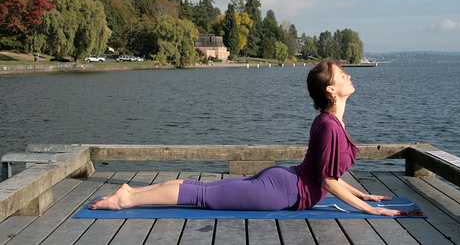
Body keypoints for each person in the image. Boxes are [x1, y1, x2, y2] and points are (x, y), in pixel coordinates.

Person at [90, 60, 400, 216]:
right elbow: (328, 181)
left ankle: (131, 192)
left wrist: (362, 195)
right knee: (202, 195)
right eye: (341, 74)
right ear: (331, 89)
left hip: (284, 182)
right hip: (283, 192)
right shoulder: (331, 126)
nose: (348, 75)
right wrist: (369, 210)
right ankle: (127, 199)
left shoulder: (331, 121)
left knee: (203, 189)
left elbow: (326, 174)